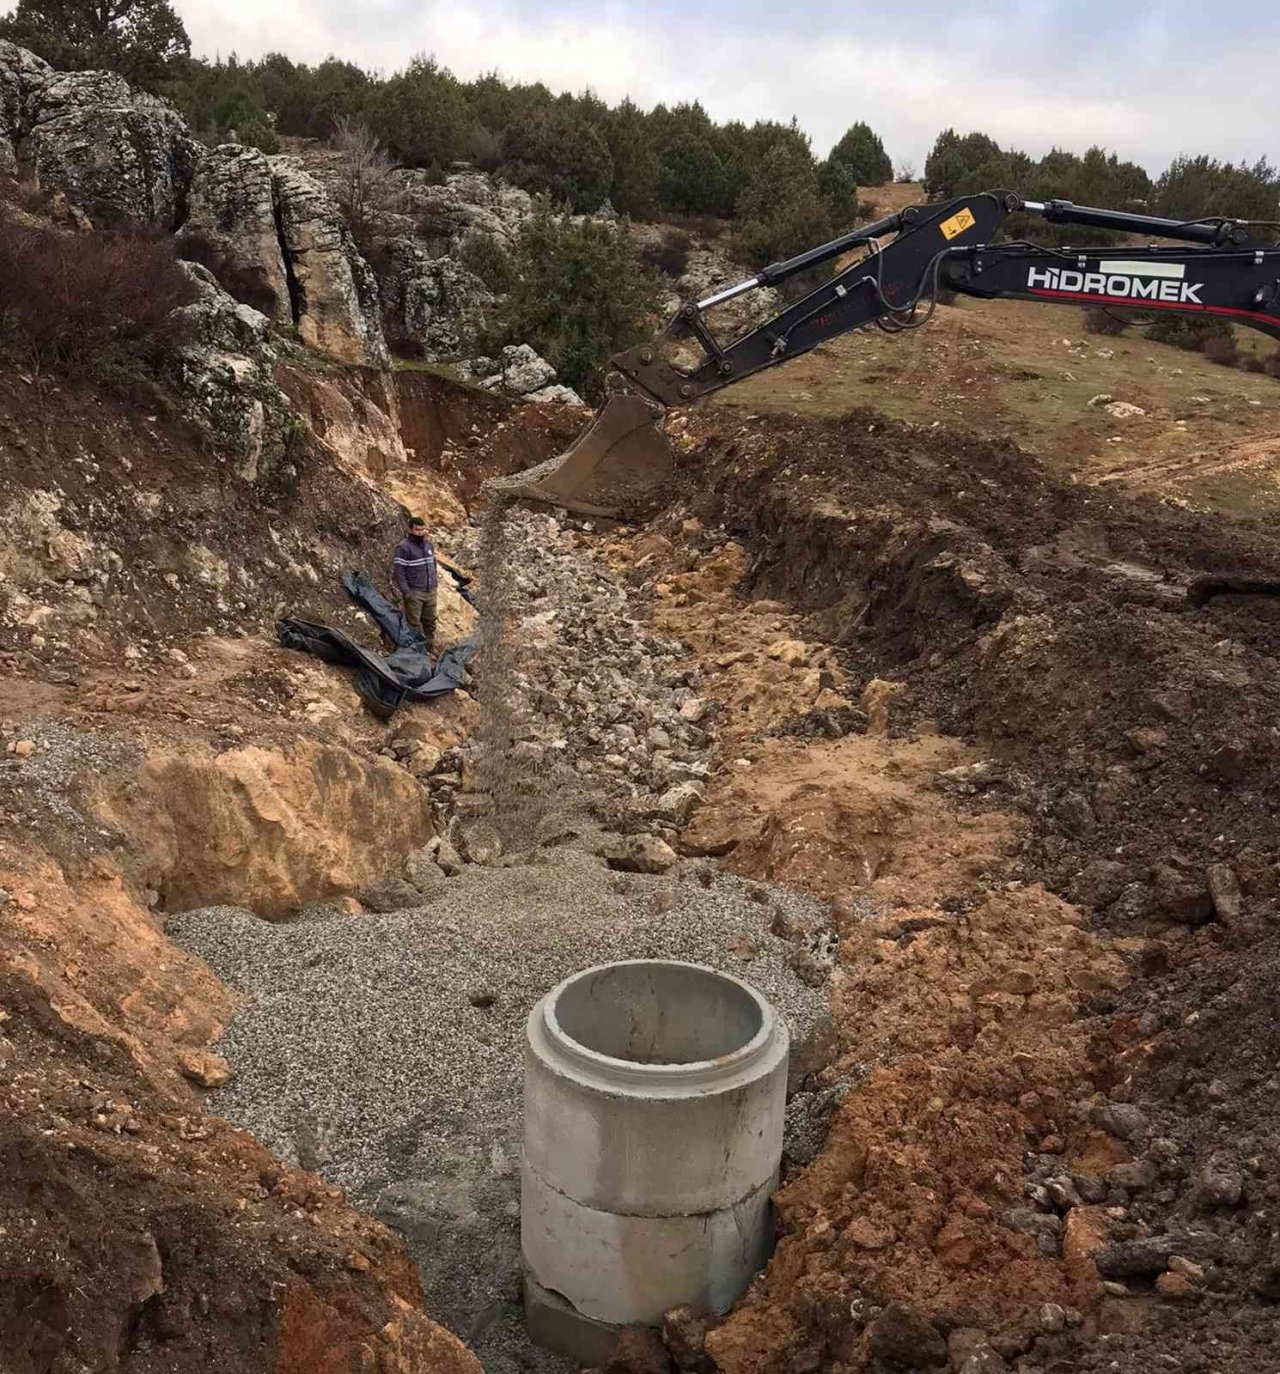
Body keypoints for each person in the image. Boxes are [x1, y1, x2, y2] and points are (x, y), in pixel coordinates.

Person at [392, 516, 438, 650]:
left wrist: (435, 582)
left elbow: (433, 565)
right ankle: (412, 649)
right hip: (415, 592)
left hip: (430, 591)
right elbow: (399, 572)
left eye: (423, 529)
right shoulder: (403, 547)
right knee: (413, 623)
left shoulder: (429, 545)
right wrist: (407, 592)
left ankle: (429, 647)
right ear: (410, 530)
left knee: (430, 620)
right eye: (417, 530)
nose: (421, 532)